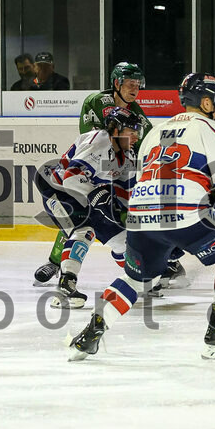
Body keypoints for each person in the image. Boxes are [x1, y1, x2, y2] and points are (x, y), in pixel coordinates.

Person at [68, 73, 215, 361]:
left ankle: (92, 330)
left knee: (137, 279)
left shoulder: (155, 132)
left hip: (141, 214)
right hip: (186, 211)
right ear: (206, 103)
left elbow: (142, 180)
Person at [35, 62, 189, 290]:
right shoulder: (97, 104)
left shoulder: (136, 113)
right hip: (91, 168)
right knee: (82, 219)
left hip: (111, 167)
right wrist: (111, 172)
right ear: (116, 83)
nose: (135, 88)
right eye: (129, 83)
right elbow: (92, 144)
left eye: (137, 84)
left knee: (120, 227)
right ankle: (57, 263)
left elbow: (147, 144)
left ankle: (143, 271)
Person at [35, 107, 141, 308]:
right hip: (57, 189)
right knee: (85, 230)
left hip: (85, 195)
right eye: (131, 131)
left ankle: (137, 277)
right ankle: (65, 287)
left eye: (137, 131)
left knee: (123, 239)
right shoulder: (100, 141)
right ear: (115, 130)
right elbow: (71, 177)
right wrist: (98, 196)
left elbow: (127, 192)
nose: (136, 136)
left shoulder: (128, 156)